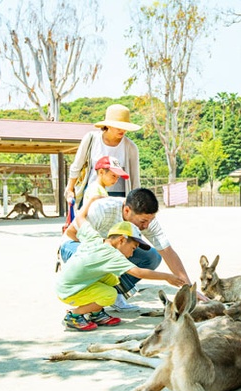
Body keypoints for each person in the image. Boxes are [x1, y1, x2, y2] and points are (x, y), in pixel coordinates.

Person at [60, 188, 204, 311]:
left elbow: (167, 251)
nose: (146, 226)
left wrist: (189, 288)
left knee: (152, 256)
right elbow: (72, 233)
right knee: (100, 261)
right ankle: (87, 298)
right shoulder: (103, 209)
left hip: (109, 250)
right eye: (143, 222)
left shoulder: (147, 219)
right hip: (75, 247)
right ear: (127, 210)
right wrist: (101, 252)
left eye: (150, 221)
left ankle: (112, 296)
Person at [56, 200, 186, 331]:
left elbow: (79, 218)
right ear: (122, 239)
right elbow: (139, 272)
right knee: (110, 294)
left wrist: (91, 200)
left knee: (112, 278)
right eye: (133, 248)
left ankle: (96, 313)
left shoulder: (94, 238)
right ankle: (74, 316)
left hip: (66, 283)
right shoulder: (111, 255)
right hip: (69, 291)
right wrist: (167, 277)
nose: (131, 254)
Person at [65, 104, 141, 208]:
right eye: (118, 126)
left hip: (119, 197)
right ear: (108, 125)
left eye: (124, 127)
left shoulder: (131, 147)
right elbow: (76, 166)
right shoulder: (91, 139)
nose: (122, 130)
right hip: (93, 193)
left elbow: (135, 179)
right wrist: (70, 189)